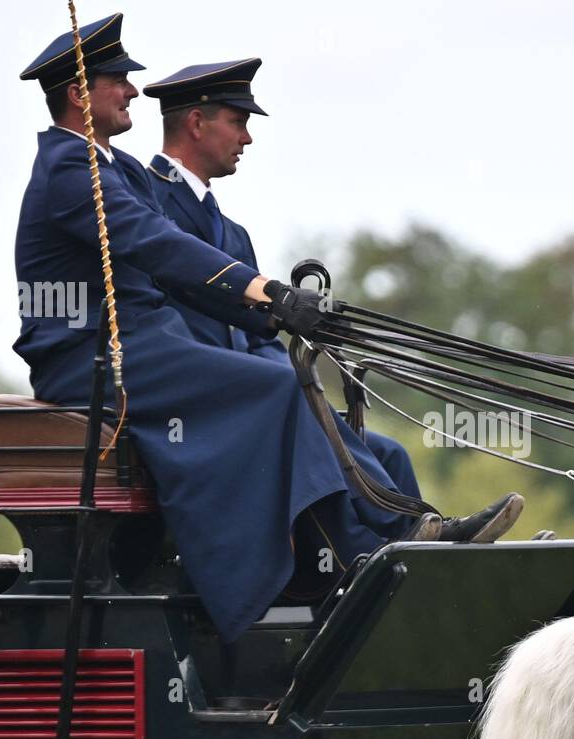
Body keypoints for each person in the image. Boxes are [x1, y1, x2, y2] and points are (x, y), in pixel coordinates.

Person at [13, 14, 522, 642]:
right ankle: (365, 555)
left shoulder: (105, 166)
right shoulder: (72, 166)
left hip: (149, 342)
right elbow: (158, 244)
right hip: (95, 355)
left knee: (332, 413)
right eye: (119, 81)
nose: (132, 93)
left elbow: (180, 272)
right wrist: (266, 291)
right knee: (280, 389)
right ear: (80, 94)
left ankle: (412, 551)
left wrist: (280, 313)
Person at [142, 57, 421, 502]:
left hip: (254, 390)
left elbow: (257, 339)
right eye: (238, 122)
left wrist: (309, 395)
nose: (247, 138)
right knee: (324, 446)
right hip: (198, 397)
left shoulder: (233, 233)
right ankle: (382, 548)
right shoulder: (143, 204)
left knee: (390, 455)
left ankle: (423, 545)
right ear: (196, 123)